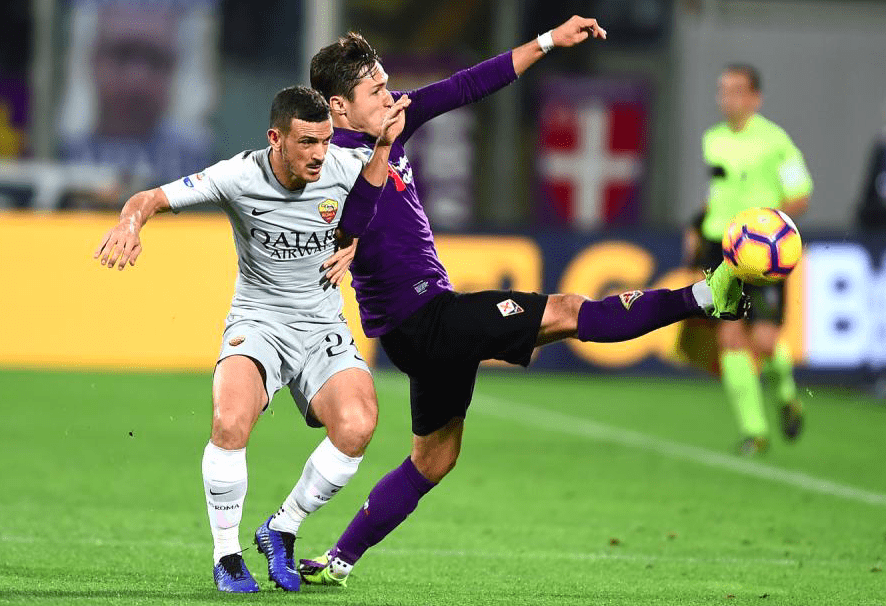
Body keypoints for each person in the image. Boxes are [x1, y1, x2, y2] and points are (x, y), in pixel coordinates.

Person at [296, 18, 749, 587]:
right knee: (568, 312)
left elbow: (467, 84)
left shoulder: (392, 125)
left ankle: (337, 560)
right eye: (376, 91)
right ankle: (706, 295)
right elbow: (319, 212)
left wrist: (548, 41)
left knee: (434, 460)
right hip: (425, 320)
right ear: (338, 107)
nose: (391, 96)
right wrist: (341, 235)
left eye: (387, 84)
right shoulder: (333, 162)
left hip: (421, 326)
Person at [93, 85, 411, 593]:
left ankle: (282, 527)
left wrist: (357, 240)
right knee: (229, 421)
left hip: (322, 326)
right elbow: (149, 198)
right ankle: (227, 556)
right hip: (259, 322)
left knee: (357, 426)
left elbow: (385, 209)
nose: (319, 154)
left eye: (325, 141)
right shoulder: (237, 176)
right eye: (306, 142)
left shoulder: (348, 166)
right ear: (275, 138)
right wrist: (130, 224)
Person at [684, 64, 812, 455]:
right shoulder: (713, 139)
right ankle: (754, 432)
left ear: (755, 97)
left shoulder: (776, 141)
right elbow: (718, 191)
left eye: (736, 90)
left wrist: (770, 231)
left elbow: (800, 194)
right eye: (722, 90)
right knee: (729, 337)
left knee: (765, 340)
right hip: (719, 244)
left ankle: (787, 395)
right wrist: (696, 225)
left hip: (762, 252)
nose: (727, 98)